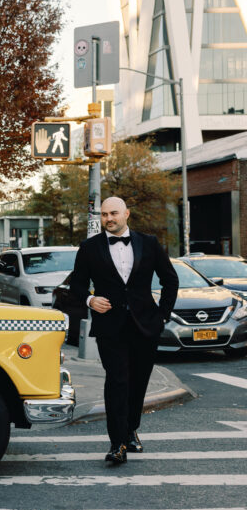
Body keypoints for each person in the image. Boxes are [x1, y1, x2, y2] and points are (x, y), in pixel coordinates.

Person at [68, 196, 178, 465]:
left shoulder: (149, 243)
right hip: (110, 327)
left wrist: (162, 315)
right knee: (117, 381)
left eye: (114, 213)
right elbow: (77, 286)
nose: (109, 219)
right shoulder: (89, 248)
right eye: (104, 214)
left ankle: (130, 430)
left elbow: (170, 280)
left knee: (138, 382)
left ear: (127, 214)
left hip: (145, 325)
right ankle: (117, 443)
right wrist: (90, 300)